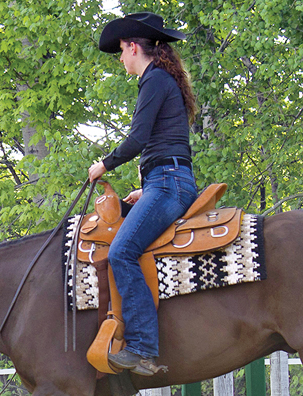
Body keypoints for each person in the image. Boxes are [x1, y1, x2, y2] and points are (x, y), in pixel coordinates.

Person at [88, 12, 198, 377]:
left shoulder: (154, 82)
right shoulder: (162, 81)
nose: (121, 58)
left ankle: (142, 348)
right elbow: (167, 146)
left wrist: (103, 165)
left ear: (134, 47)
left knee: (121, 251)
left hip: (168, 183)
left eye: (121, 50)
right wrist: (146, 187)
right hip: (166, 181)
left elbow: (137, 140)